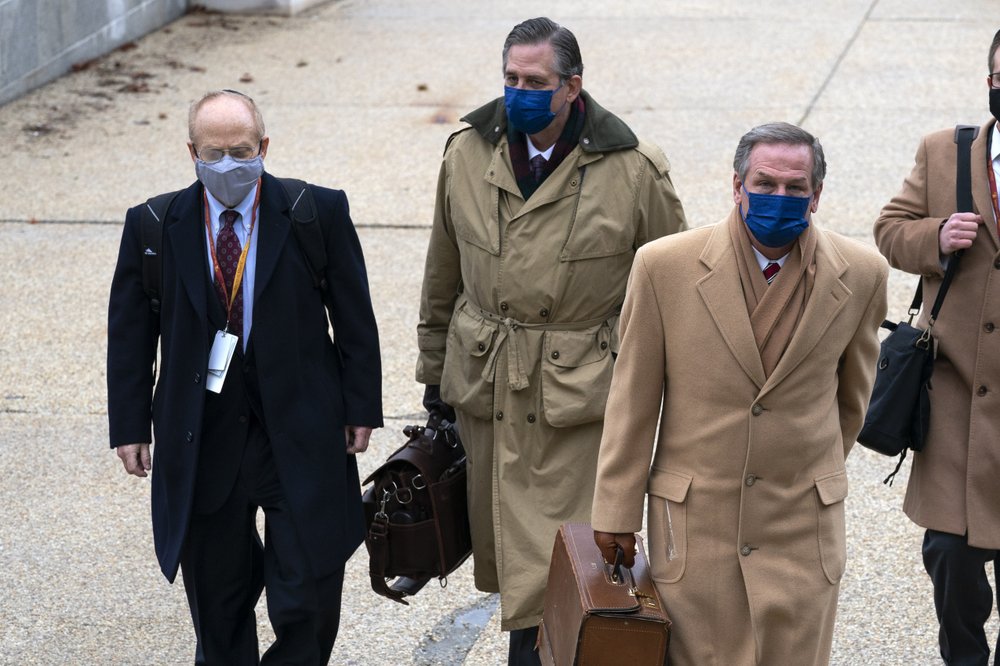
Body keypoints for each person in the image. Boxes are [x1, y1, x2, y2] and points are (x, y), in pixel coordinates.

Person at [415, 16, 687, 664]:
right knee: (518, 565)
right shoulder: (467, 152)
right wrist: (433, 375)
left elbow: (670, 289)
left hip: (578, 402)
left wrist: (668, 399)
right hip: (489, 390)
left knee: (568, 569)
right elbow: (442, 269)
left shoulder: (633, 167)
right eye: (510, 79)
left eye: (534, 81)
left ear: (572, 86)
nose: (518, 92)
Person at [591, 122, 888, 665]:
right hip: (696, 525)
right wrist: (615, 510)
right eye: (765, 183)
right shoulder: (664, 267)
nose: (780, 197)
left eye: (795, 187)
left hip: (802, 526)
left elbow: (852, 402)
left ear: (816, 195)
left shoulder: (863, 274)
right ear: (736, 185)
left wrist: (804, 472)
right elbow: (632, 402)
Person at [107, 89, 382, 664]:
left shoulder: (317, 213)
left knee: (305, 594)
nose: (229, 164)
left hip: (300, 432)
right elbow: (131, 338)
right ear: (192, 153)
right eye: (215, 153)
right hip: (204, 439)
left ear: (264, 146)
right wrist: (129, 426)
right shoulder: (154, 226)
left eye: (242, 150)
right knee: (218, 600)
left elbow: (355, 318)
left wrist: (361, 408)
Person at [873, 29, 1000, 665]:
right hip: (953, 401)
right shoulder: (945, 152)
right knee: (951, 561)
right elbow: (889, 230)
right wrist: (935, 236)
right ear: (990, 83)